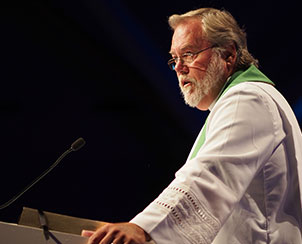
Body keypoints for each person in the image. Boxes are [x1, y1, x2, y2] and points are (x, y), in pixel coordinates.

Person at [82, 7, 302, 244]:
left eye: (188, 54)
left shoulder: (247, 99)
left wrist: (144, 228)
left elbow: (211, 175)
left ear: (228, 54)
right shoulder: (245, 100)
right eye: (174, 58)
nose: (178, 68)